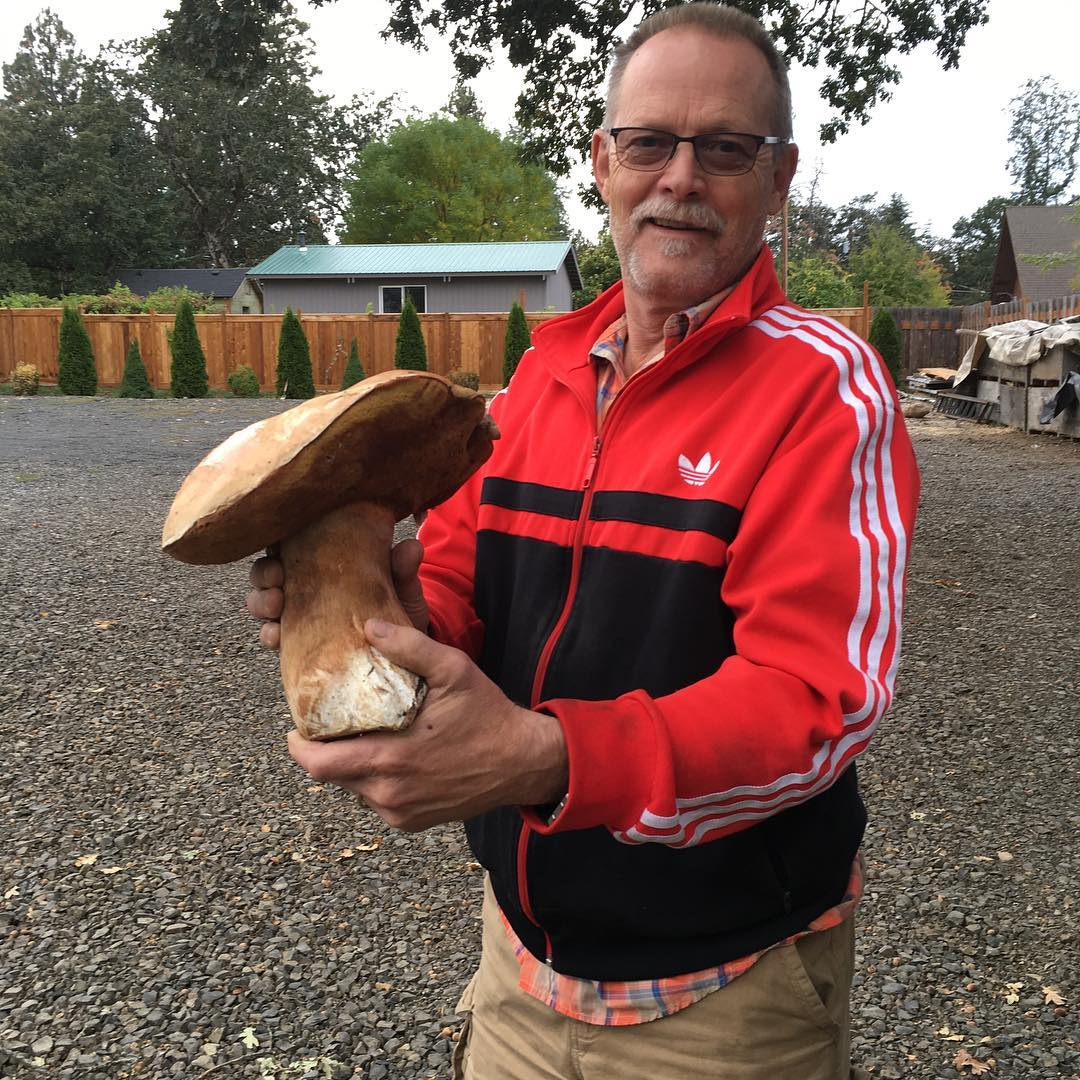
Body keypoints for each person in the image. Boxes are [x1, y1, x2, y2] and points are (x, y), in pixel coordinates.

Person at [248, 4, 920, 1077]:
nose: (682, 179)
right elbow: (461, 580)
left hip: (721, 997)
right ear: (603, 162)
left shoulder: (822, 389)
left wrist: (544, 756)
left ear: (780, 178)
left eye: (727, 150)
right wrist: (389, 613)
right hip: (517, 964)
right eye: (650, 142)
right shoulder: (540, 378)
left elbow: (815, 702)